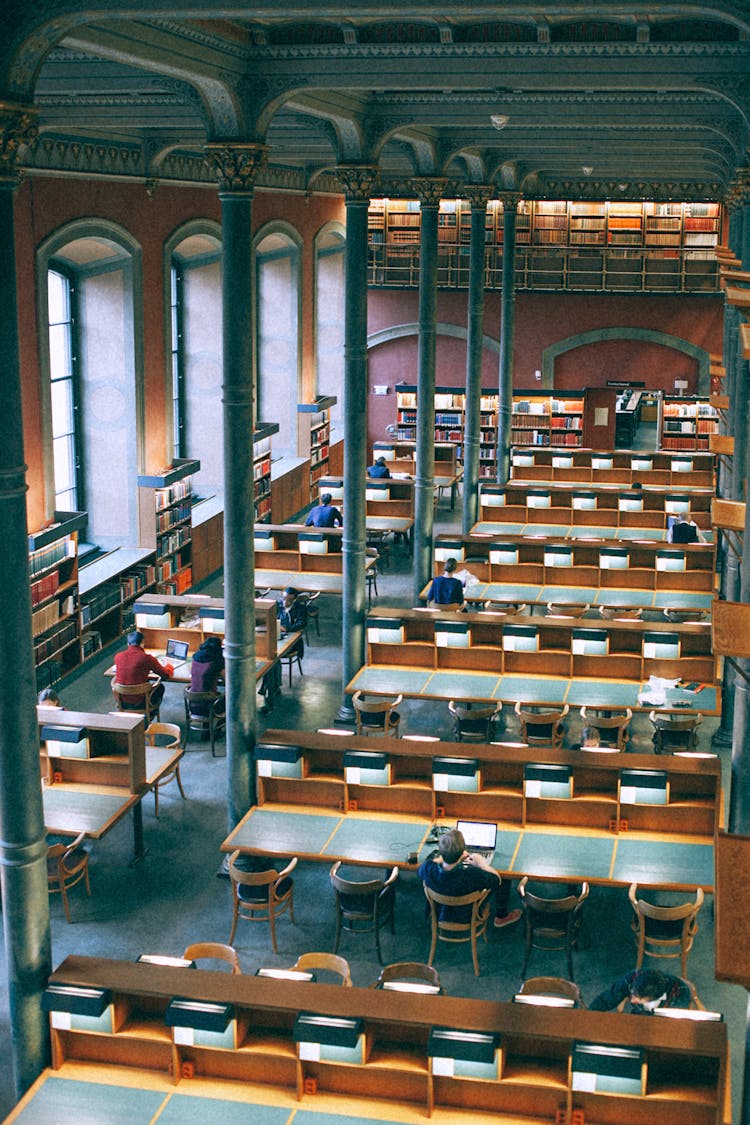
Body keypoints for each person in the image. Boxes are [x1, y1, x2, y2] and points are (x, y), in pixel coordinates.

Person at [418, 828, 521, 930]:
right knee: (506, 880)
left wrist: (444, 858)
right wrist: (482, 864)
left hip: (439, 911)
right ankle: (501, 916)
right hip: (467, 916)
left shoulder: (428, 868)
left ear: (440, 852)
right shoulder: (472, 875)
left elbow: (423, 867)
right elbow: (497, 880)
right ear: (462, 852)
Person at [589, 968, 694, 1014]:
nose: (632, 1001)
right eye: (632, 993)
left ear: (656, 997)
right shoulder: (632, 978)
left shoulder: (680, 995)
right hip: (639, 1015)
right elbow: (606, 999)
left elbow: (673, 1024)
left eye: (638, 999)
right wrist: (589, 1014)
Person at [113, 629, 171, 709]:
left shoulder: (118, 657)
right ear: (142, 642)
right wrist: (169, 666)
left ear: (128, 644)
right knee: (160, 687)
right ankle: (149, 714)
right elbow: (165, 674)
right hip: (141, 702)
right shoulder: (147, 658)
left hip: (122, 701)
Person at [188, 635, 225, 716]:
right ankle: (217, 726)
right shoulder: (215, 662)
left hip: (192, 705)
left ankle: (208, 725)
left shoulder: (195, 657)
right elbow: (227, 680)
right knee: (230, 698)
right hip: (209, 707)